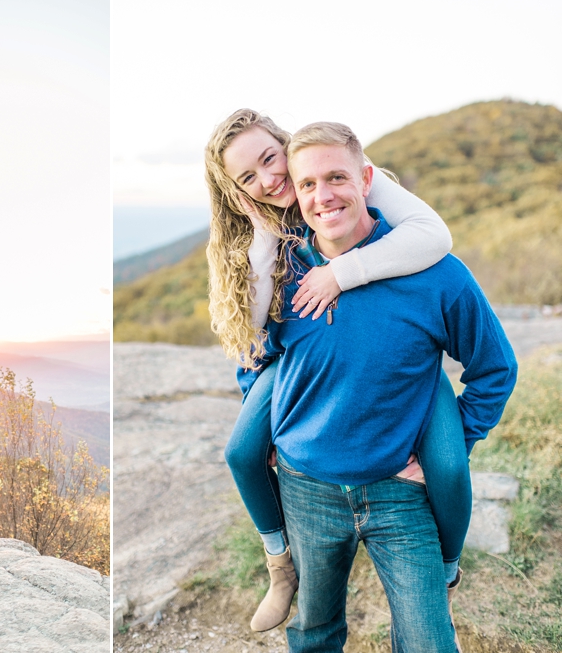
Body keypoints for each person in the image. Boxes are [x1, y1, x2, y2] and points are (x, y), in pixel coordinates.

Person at [204, 109, 469, 632]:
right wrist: (260, 235)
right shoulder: (258, 233)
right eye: (249, 178)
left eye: (269, 159)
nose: (269, 180)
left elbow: (435, 236)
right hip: (294, 365)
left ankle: (448, 567)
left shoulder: (344, 176)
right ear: (235, 192)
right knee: (240, 450)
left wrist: (341, 274)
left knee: (448, 463)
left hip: (398, 356)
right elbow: (253, 337)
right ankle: (280, 565)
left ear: (287, 144)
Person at [263, 121, 516, 649]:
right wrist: (269, 426)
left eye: (336, 178)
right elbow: (253, 357)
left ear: (366, 179)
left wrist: (451, 445)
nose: (323, 196)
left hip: (400, 491)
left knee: (429, 642)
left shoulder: (436, 273)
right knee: (312, 629)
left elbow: (495, 367)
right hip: (306, 487)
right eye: (307, 184)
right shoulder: (278, 274)